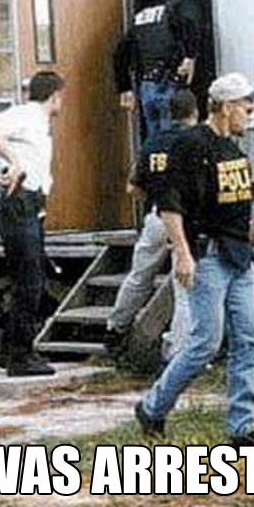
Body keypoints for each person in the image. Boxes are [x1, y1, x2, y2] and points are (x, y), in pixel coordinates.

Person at [135, 72, 254, 447]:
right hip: (208, 256)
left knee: (248, 340)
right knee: (206, 343)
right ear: (227, 107)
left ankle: (242, 427)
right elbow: (169, 202)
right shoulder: (191, 144)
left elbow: (237, 195)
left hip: (238, 255)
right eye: (247, 106)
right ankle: (152, 407)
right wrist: (182, 253)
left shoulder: (234, 150)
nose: (251, 112)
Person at [0, 71, 65, 377]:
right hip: (17, 205)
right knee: (31, 282)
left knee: (27, 279)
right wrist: (13, 160)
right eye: (61, 96)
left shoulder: (39, 123)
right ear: (55, 96)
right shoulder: (27, 115)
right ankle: (21, 357)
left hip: (30, 207)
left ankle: (9, 351)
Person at [105, 89, 199, 364]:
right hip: (186, 221)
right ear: (195, 112)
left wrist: (156, 197)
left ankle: (115, 329)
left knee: (139, 276)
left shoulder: (153, 142)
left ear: (170, 113)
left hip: (157, 217)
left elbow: (132, 187)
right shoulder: (197, 142)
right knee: (184, 292)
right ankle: (175, 355)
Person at [114, 0, 203, 141]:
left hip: (147, 87)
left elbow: (120, 52)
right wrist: (190, 57)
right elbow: (191, 26)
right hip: (171, 83)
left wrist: (125, 88)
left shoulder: (142, 16)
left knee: (155, 142)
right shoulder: (183, 7)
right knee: (176, 141)